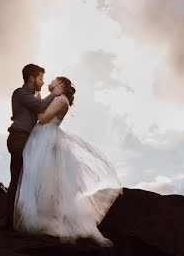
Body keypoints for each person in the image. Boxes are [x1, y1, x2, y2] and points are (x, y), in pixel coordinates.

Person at [13, 76, 123, 246]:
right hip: (43, 136)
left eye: (54, 80)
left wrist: (38, 103)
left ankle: (51, 221)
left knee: (46, 178)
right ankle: (45, 217)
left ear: (61, 85)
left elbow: (42, 119)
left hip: (46, 137)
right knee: (42, 178)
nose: (50, 81)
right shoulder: (57, 98)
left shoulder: (61, 99)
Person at [5, 64, 63, 230]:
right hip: (19, 139)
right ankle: (11, 223)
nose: (43, 82)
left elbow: (39, 110)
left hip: (25, 139)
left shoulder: (32, 95)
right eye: (40, 78)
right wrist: (54, 94)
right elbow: (40, 107)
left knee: (27, 181)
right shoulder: (21, 93)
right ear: (31, 78)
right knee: (18, 180)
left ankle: (19, 221)